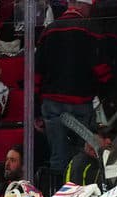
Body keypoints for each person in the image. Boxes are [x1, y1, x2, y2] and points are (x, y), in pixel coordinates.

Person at [36, 0, 110, 182]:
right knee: (82, 154)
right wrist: (108, 92)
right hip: (81, 102)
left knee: (58, 156)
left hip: (52, 102)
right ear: (83, 6)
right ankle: (78, 195)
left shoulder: (49, 30)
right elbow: (100, 68)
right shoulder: (90, 28)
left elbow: (36, 72)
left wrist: (36, 108)